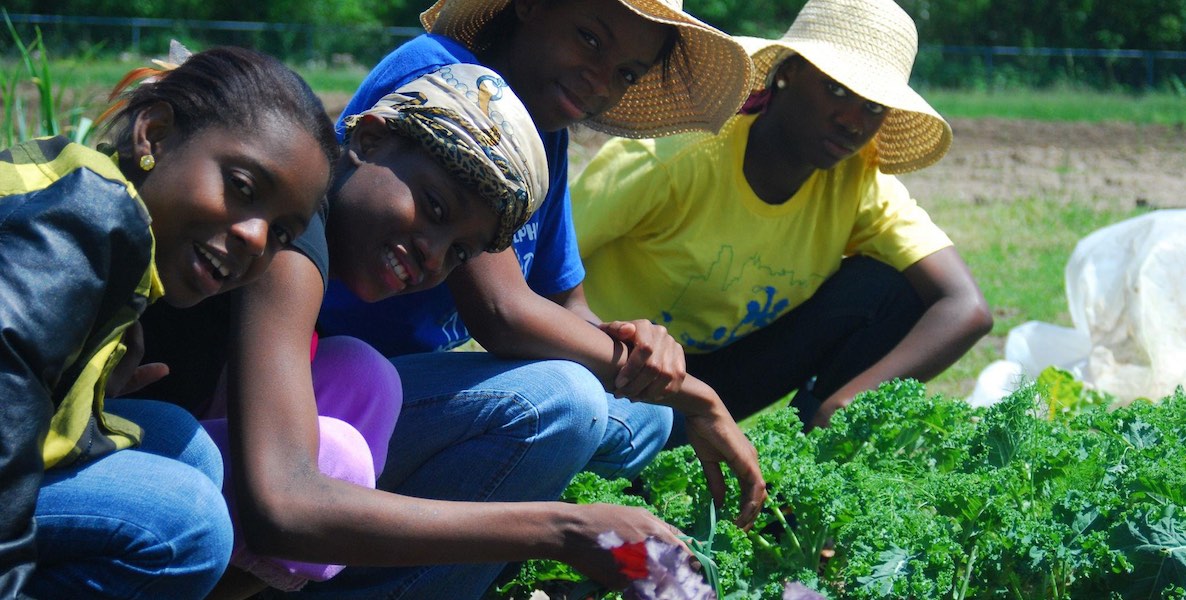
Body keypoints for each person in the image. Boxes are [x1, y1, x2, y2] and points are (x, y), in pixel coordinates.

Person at [133, 63, 698, 600]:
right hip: (117, 463)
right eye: (433, 207)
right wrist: (563, 530)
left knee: (363, 377)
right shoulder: (292, 241)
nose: (433, 255)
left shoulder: (309, 234)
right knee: (338, 458)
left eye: (459, 252)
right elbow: (283, 505)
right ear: (370, 140)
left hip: (174, 446)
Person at [314, 0, 765, 537]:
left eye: (626, 73)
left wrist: (639, 346)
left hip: (399, 381)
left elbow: (565, 303)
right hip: (332, 379)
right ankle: (404, 563)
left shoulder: (543, 134)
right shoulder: (451, 81)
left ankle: (470, 531)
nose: (600, 80)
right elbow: (502, 313)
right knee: (562, 399)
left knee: (647, 413)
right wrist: (700, 397)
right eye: (590, 39)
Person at [0, 46, 336, 599]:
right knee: (187, 522)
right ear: (153, 135)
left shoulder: (103, 221)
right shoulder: (85, 219)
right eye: (242, 187)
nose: (256, 238)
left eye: (281, 233)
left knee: (185, 445)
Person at [571, 0, 994, 434]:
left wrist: (846, 404)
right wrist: (605, 352)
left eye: (873, 107)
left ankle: (809, 457)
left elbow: (966, 307)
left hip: (723, 377)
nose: (852, 122)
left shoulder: (857, 180)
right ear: (788, 72)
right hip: (610, 368)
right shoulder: (671, 158)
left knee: (889, 289)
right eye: (837, 90)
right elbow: (541, 267)